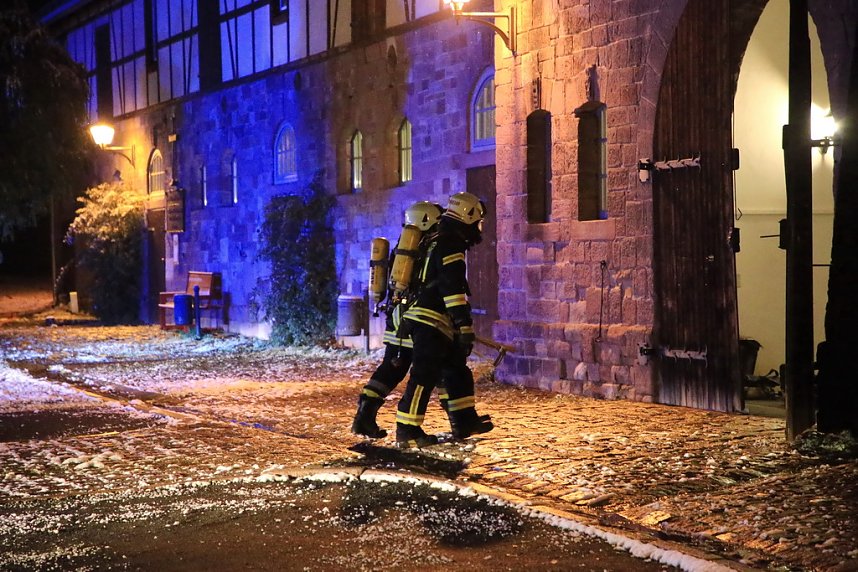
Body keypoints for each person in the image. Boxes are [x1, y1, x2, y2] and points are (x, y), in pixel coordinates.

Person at [395, 191, 494, 447]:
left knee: (456, 370)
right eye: (477, 221)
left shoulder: (437, 238)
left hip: (430, 319)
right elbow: (452, 287)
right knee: (424, 375)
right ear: (468, 216)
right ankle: (407, 429)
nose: (478, 228)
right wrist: (464, 324)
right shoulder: (451, 244)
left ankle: (464, 421)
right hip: (431, 321)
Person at [351, 201, 444, 438]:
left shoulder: (402, 248)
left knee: (391, 367)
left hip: (395, 318)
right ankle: (409, 426)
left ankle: (364, 417)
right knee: (425, 370)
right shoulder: (429, 248)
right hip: (417, 321)